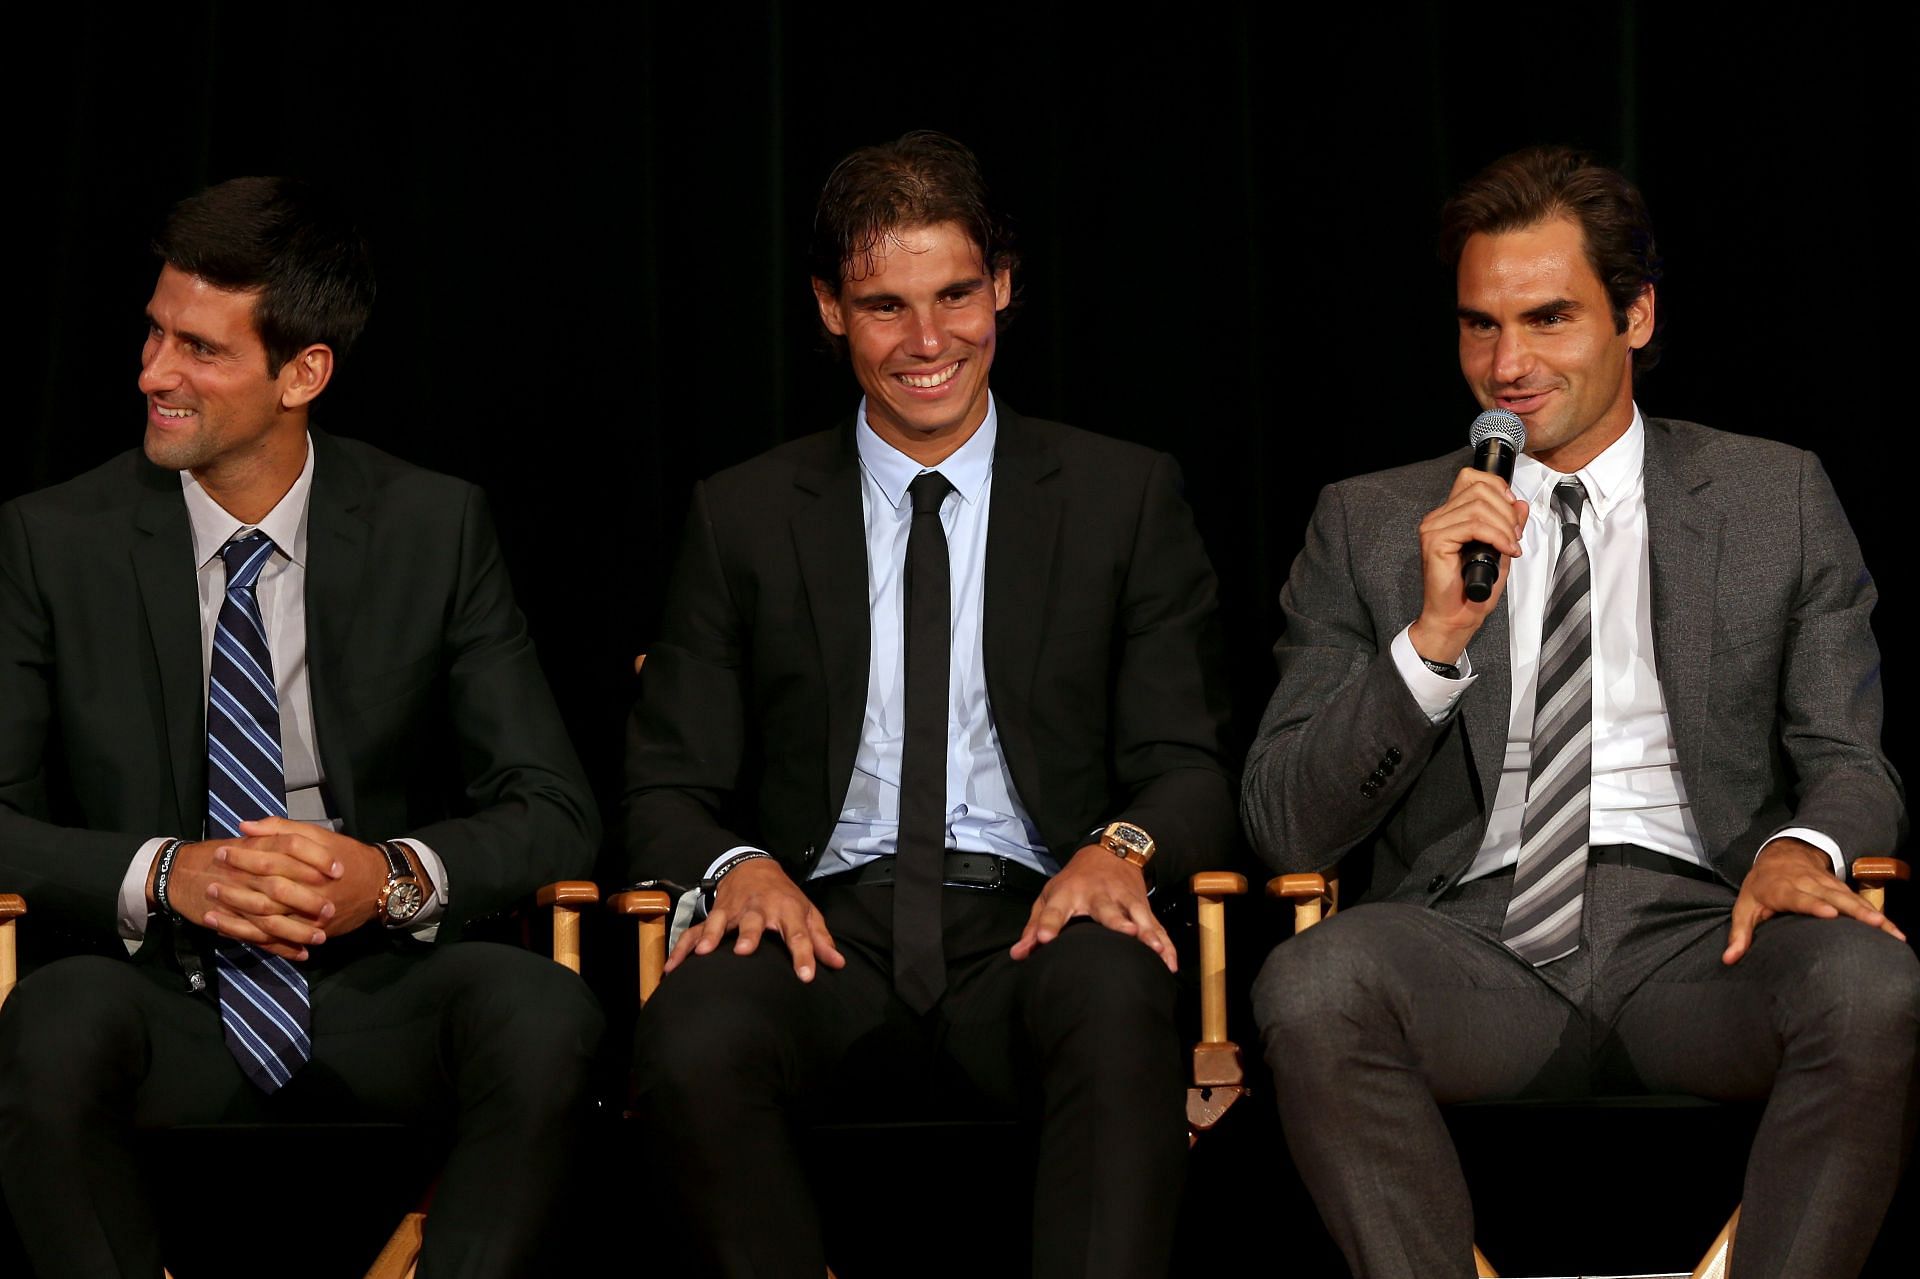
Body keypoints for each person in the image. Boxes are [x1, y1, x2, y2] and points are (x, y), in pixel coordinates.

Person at [1244, 144, 1918, 1279]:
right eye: (1478, 325)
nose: (1507, 365)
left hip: (1706, 934)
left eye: (1549, 319)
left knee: (1870, 984)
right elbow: (1286, 823)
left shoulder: (1774, 497)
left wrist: (1804, 849)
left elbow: (1852, 758)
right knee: (1311, 982)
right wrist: (1430, 643)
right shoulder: (1368, 522)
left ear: (1636, 316)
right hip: (1472, 937)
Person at [625, 130, 1236, 1278]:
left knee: (1117, 1002)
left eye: (956, 294)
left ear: (1002, 286)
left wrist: (1121, 848)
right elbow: (664, 788)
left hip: (1035, 915)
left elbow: (1190, 762)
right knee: (693, 1031)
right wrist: (738, 867)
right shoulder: (742, 515)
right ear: (828, 310)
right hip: (821, 923)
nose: (927, 340)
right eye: (884, 304)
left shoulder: (1121, 496)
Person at [0, 176, 604, 1278]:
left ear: (303, 373)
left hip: (375, 984)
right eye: (153, 333)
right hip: (158, 990)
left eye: (200, 349)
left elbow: (555, 808)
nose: (152, 373)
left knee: (541, 1010)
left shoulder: (433, 525)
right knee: (50, 1023)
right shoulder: (53, 541)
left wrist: (389, 875)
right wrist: (164, 873)